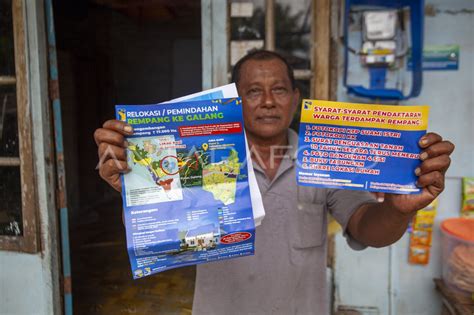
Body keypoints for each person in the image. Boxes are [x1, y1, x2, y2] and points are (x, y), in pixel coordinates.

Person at [94, 50, 454, 315]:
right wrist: (136, 188)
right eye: (253, 92)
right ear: (235, 101)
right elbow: (163, 237)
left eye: (279, 90)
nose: (267, 102)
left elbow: (368, 229)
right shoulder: (202, 159)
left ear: (295, 100)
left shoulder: (324, 159)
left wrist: (397, 209)